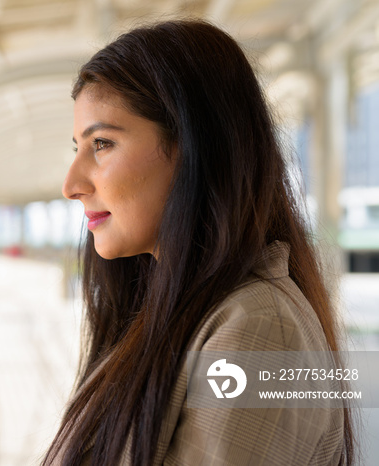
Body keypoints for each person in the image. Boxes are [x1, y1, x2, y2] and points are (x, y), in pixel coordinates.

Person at [43, 20, 355, 465]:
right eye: (77, 147)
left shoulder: (259, 331)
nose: (71, 184)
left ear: (194, 147)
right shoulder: (170, 310)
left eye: (103, 143)